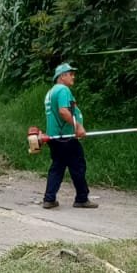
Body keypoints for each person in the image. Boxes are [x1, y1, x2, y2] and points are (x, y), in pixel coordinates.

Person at [42, 60, 98, 210]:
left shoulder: (51, 92)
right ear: (62, 76)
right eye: (70, 74)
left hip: (54, 137)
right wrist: (78, 126)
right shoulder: (62, 90)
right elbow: (63, 111)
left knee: (58, 167)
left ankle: (49, 199)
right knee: (78, 166)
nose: (73, 77)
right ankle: (82, 198)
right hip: (65, 137)